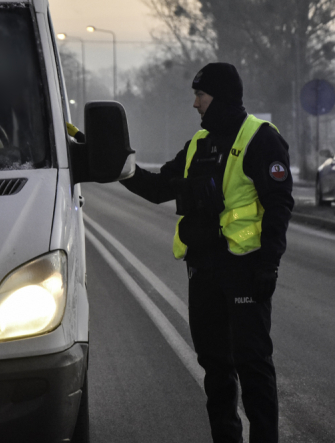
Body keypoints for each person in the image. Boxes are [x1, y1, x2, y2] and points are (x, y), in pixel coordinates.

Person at [120, 62, 293, 442]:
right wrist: (123, 168)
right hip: (203, 270)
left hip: (245, 269)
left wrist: (269, 264)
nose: (194, 104)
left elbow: (279, 204)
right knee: (215, 368)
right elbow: (160, 186)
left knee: (252, 365)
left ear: (221, 97)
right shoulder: (199, 144)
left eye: (200, 95)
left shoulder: (260, 138)